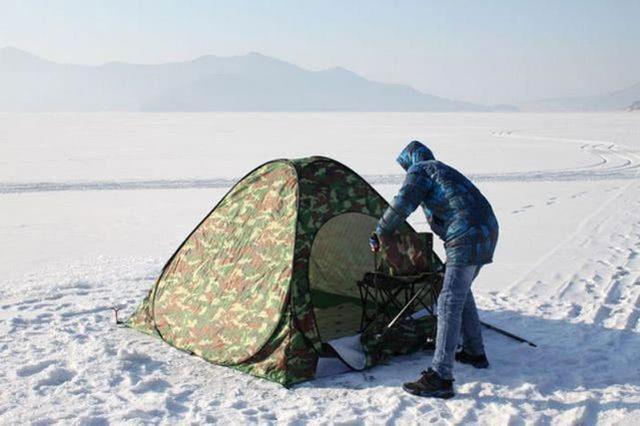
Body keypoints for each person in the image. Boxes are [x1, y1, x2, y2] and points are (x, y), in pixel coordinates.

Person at [369, 140, 499, 399]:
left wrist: (381, 232)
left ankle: (440, 376)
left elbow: (402, 202)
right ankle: (474, 351)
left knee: (449, 300)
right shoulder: (442, 170)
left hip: (466, 234)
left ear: (409, 161)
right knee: (461, 293)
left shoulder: (421, 170)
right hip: (487, 231)